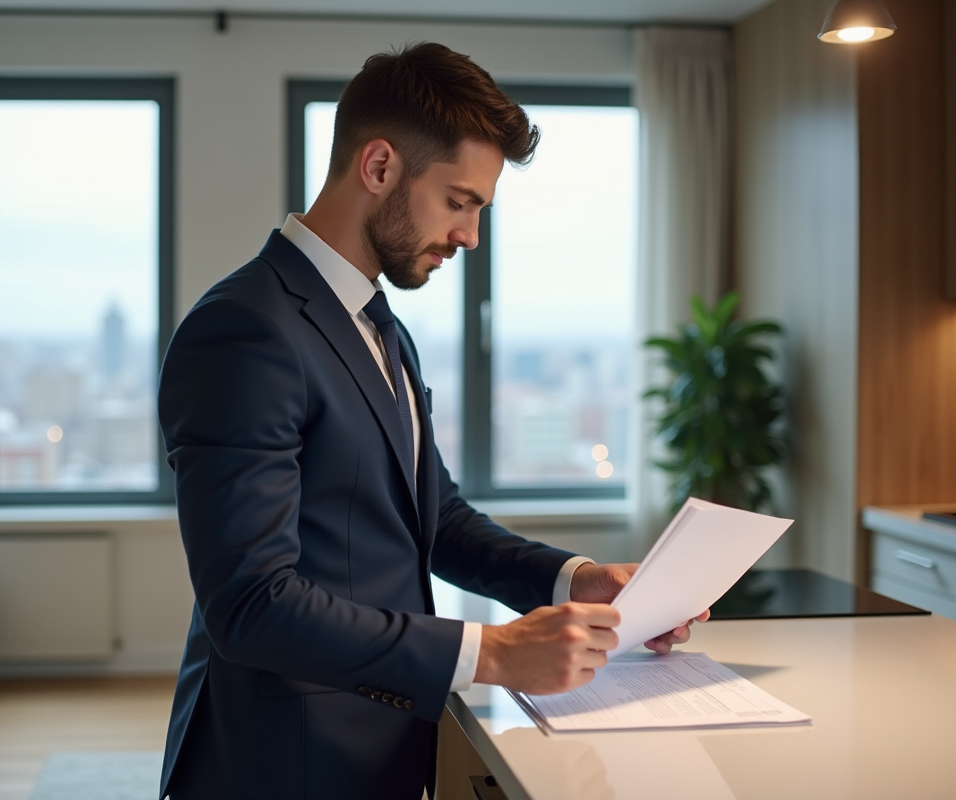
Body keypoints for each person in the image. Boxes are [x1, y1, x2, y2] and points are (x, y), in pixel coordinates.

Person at [156, 42, 705, 800]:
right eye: (460, 201)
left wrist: (575, 581)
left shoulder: (381, 325)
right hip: (279, 760)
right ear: (379, 167)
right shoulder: (245, 329)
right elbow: (252, 605)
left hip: (380, 745)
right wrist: (492, 652)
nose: (471, 237)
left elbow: (434, 520)